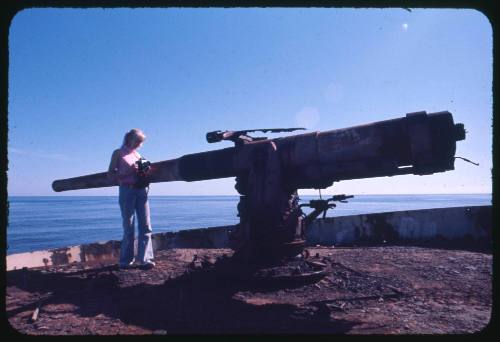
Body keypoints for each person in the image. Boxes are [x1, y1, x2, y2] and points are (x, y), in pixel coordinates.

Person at [108, 128, 155, 269]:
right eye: (138, 142)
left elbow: (145, 172)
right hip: (127, 190)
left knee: (146, 225)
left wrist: (145, 169)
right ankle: (126, 260)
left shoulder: (137, 154)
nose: (139, 145)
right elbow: (110, 174)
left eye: (141, 143)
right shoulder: (118, 153)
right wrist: (126, 174)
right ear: (129, 139)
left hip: (142, 191)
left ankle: (144, 259)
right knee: (129, 226)